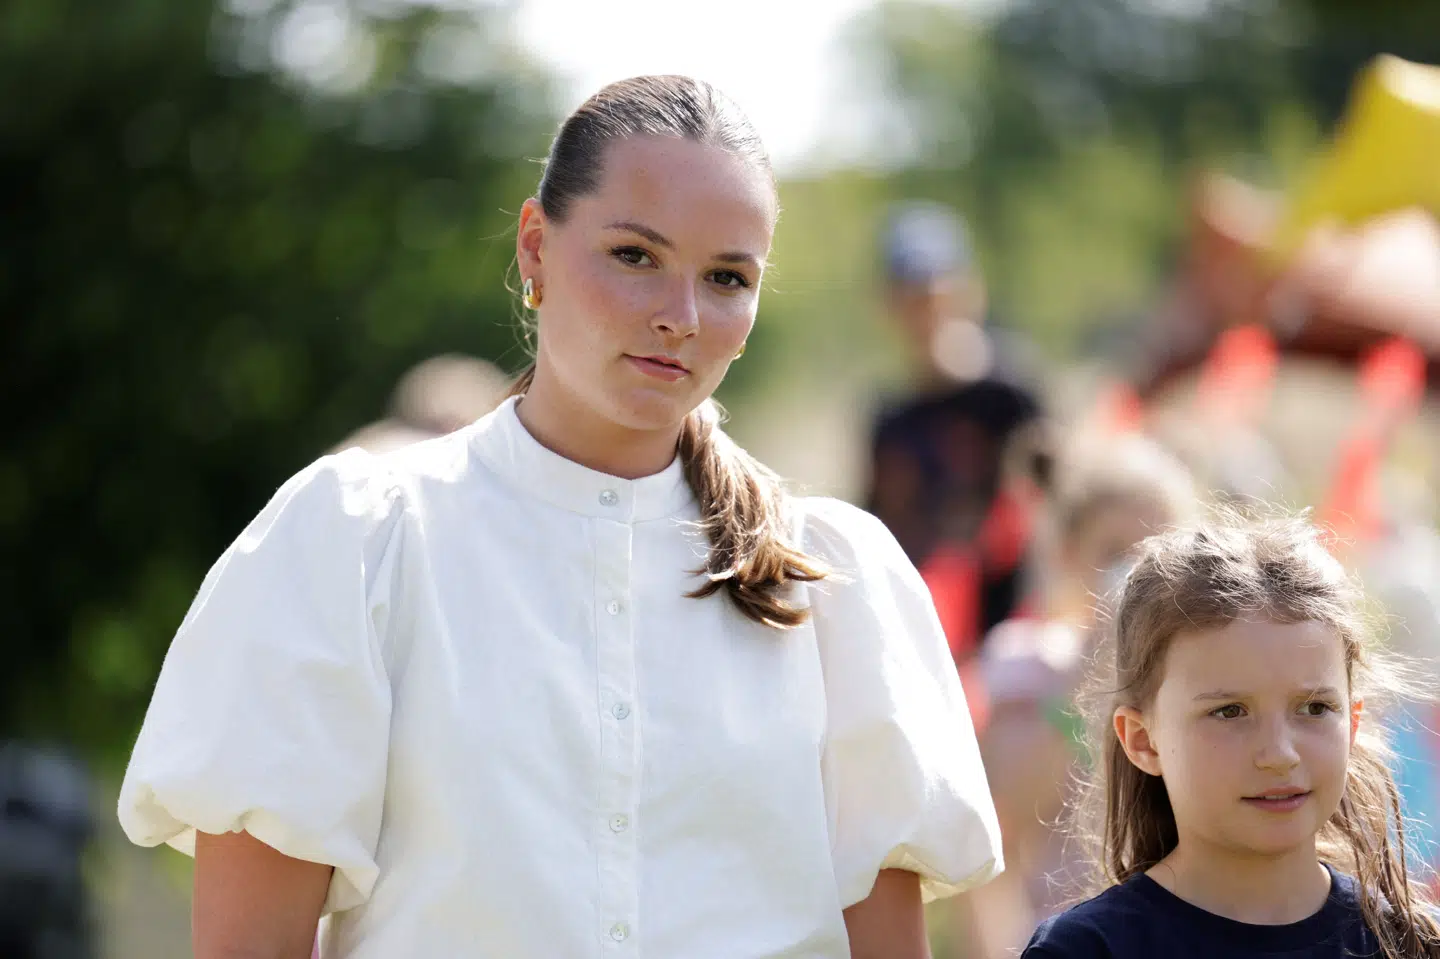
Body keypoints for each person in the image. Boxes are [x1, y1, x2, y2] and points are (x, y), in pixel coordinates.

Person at [116, 75, 1004, 958]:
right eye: (635, 256)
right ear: (536, 248)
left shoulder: (834, 584)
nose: (681, 317)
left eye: (727, 277)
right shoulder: (358, 544)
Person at [1022, 512, 1440, 958]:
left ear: (1353, 723)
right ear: (1143, 740)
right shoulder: (1086, 950)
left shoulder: (1412, 944)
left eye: (1315, 708)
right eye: (1229, 712)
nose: (1279, 754)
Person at [961, 432, 1196, 958]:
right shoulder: (1026, 665)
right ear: (1070, 554)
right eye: (1115, 552)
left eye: (1157, 550)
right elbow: (1012, 815)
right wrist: (1089, 676)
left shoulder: (1204, 679)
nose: (1135, 573)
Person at [865, 202, 1044, 681]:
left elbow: (1054, 505)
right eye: (911, 299)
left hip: (1017, 639)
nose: (927, 314)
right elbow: (882, 535)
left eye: (936, 294)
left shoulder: (1011, 396)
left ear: (969, 291)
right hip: (931, 645)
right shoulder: (892, 422)